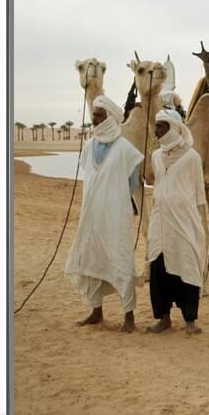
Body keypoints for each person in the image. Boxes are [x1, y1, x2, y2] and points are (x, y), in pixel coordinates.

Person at [65, 95, 144, 333]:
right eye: (93, 117)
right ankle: (96, 311)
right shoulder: (89, 146)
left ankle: (128, 315)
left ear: (109, 117)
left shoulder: (126, 150)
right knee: (91, 257)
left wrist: (113, 199)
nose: (94, 120)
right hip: (91, 215)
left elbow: (132, 183)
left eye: (99, 116)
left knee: (120, 259)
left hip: (116, 215)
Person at [146, 109, 208, 335]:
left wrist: (199, 225)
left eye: (161, 126)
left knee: (187, 266)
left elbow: (199, 195)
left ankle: (190, 320)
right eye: (156, 126)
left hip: (184, 222)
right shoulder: (155, 156)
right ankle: (164, 318)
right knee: (158, 269)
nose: (156, 130)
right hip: (160, 222)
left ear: (173, 128)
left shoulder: (192, 158)